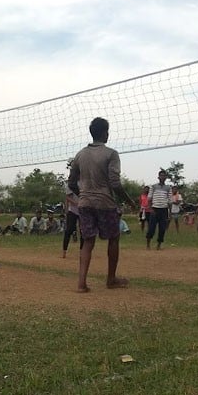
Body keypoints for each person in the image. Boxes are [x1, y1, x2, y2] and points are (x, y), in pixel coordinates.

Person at [67, 117, 133, 292]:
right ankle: (111, 279)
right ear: (105, 133)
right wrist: (129, 201)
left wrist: (83, 194)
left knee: (88, 241)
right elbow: (115, 183)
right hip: (105, 202)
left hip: (85, 203)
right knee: (113, 238)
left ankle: (81, 284)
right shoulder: (111, 153)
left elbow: (71, 182)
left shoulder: (80, 154)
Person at [145, 169, 171, 250]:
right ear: (158, 177)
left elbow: (170, 200)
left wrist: (170, 212)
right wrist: (150, 208)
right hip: (155, 209)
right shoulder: (153, 187)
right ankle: (148, 244)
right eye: (161, 175)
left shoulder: (168, 188)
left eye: (164, 176)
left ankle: (159, 245)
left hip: (164, 210)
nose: (162, 177)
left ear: (166, 177)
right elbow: (149, 198)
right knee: (151, 228)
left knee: (162, 228)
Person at [62, 189, 82, 258]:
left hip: (82, 210)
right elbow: (67, 197)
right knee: (68, 230)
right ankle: (64, 251)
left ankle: (82, 251)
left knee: (83, 231)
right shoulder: (71, 184)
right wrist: (74, 203)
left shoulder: (85, 182)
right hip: (72, 210)